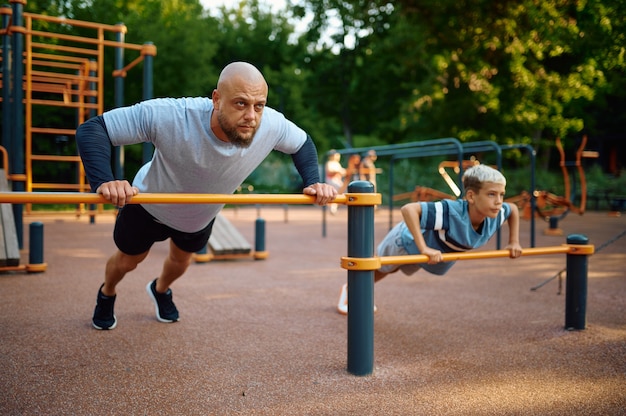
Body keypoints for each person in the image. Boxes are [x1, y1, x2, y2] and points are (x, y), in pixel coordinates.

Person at [76, 61, 337, 330]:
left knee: (180, 262)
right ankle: (107, 292)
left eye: (259, 105)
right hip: (149, 205)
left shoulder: (270, 123)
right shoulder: (175, 116)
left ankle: (160, 289)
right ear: (216, 99)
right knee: (128, 261)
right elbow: (93, 129)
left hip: (198, 216)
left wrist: (314, 182)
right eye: (240, 103)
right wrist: (105, 181)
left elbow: (303, 142)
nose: (252, 116)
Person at [337, 164, 522, 315]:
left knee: (393, 270)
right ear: (471, 196)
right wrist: (423, 247)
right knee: (383, 268)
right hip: (406, 239)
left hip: (429, 248)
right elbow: (409, 210)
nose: (499, 201)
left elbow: (513, 209)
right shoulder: (451, 212)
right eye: (492, 194)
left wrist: (514, 241)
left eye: (501, 194)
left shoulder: (496, 213)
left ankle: (357, 290)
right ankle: (349, 290)